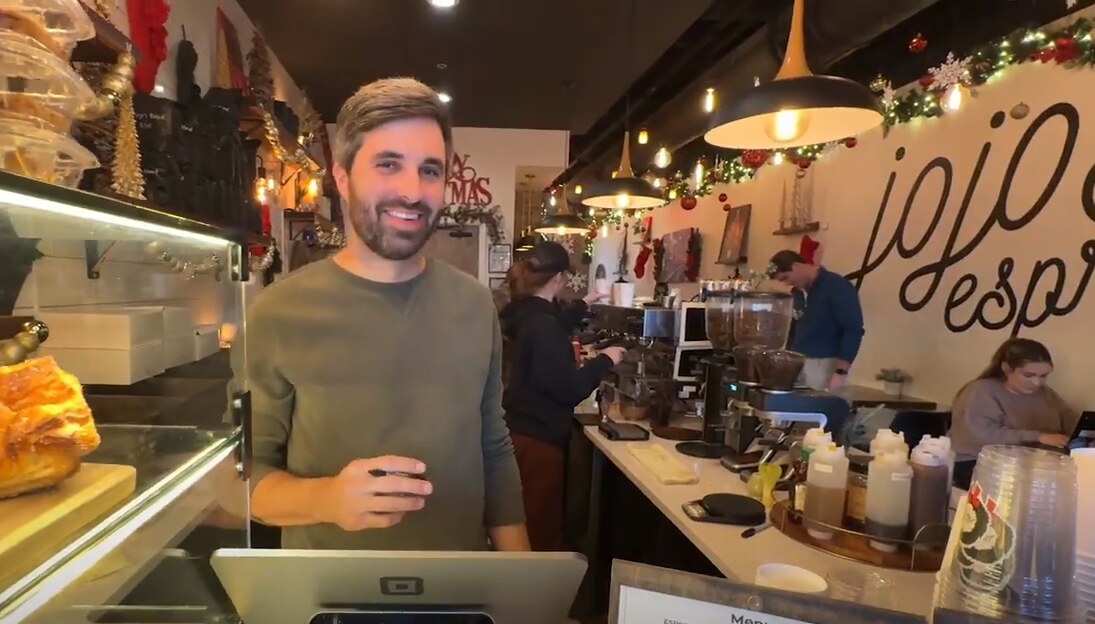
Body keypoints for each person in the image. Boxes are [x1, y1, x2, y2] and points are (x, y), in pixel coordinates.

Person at [243, 77, 529, 551]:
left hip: (460, 593)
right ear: (342, 177)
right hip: (326, 600)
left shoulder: (475, 304)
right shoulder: (279, 311)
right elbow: (242, 479)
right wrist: (327, 498)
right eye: (388, 164)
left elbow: (493, 448)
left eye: (430, 170)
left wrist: (522, 593)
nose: (413, 191)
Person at [499, 241, 625, 551]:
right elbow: (569, 388)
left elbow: (553, 324)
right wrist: (606, 359)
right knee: (538, 531)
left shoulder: (522, 313)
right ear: (558, 280)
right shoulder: (542, 325)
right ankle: (538, 595)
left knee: (522, 523)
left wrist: (585, 302)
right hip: (538, 442)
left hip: (517, 432)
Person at [949, 337, 1078, 487]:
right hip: (978, 463)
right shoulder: (981, 391)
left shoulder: (1045, 394)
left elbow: (1067, 419)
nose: (1036, 383)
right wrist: (1038, 437)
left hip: (1030, 464)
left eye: (1043, 376)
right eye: (1028, 375)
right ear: (1006, 369)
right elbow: (982, 435)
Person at [768, 250, 864, 391]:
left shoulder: (837, 287)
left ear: (796, 266)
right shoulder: (798, 293)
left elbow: (853, 330)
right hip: (799, 365)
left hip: (825, 366)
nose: (787, 283)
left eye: (786, 278)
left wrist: (841, 372)